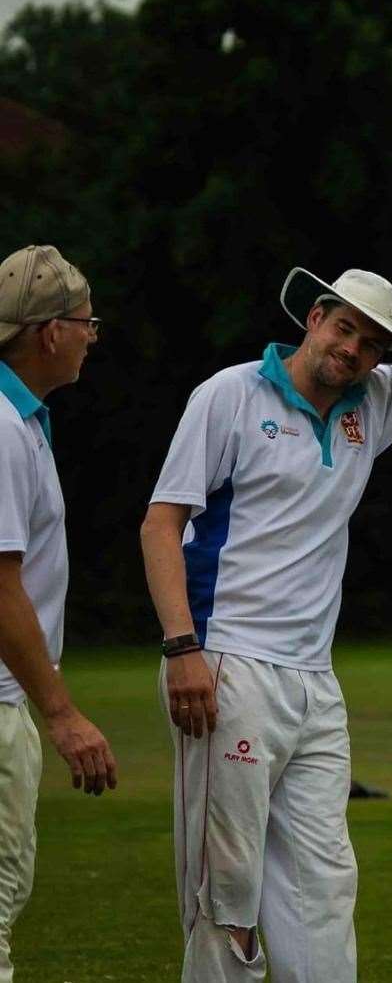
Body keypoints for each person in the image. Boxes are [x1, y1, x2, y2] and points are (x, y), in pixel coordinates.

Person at [137, 265, 392, 982]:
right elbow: (160, 522)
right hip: (227, 662)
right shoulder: (230, 395)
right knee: (226, 890)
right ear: (314, 318)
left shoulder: (376, 400)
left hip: (314, 684)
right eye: (344, 328)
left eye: (370, 343)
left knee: (323, 886)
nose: (353, 350)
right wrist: (183, 650)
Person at [0, 245, 117, 983]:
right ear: (49, 333)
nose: (90, 336)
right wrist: (63, 714)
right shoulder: (5, 428)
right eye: (85, 323)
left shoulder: (24, 420)